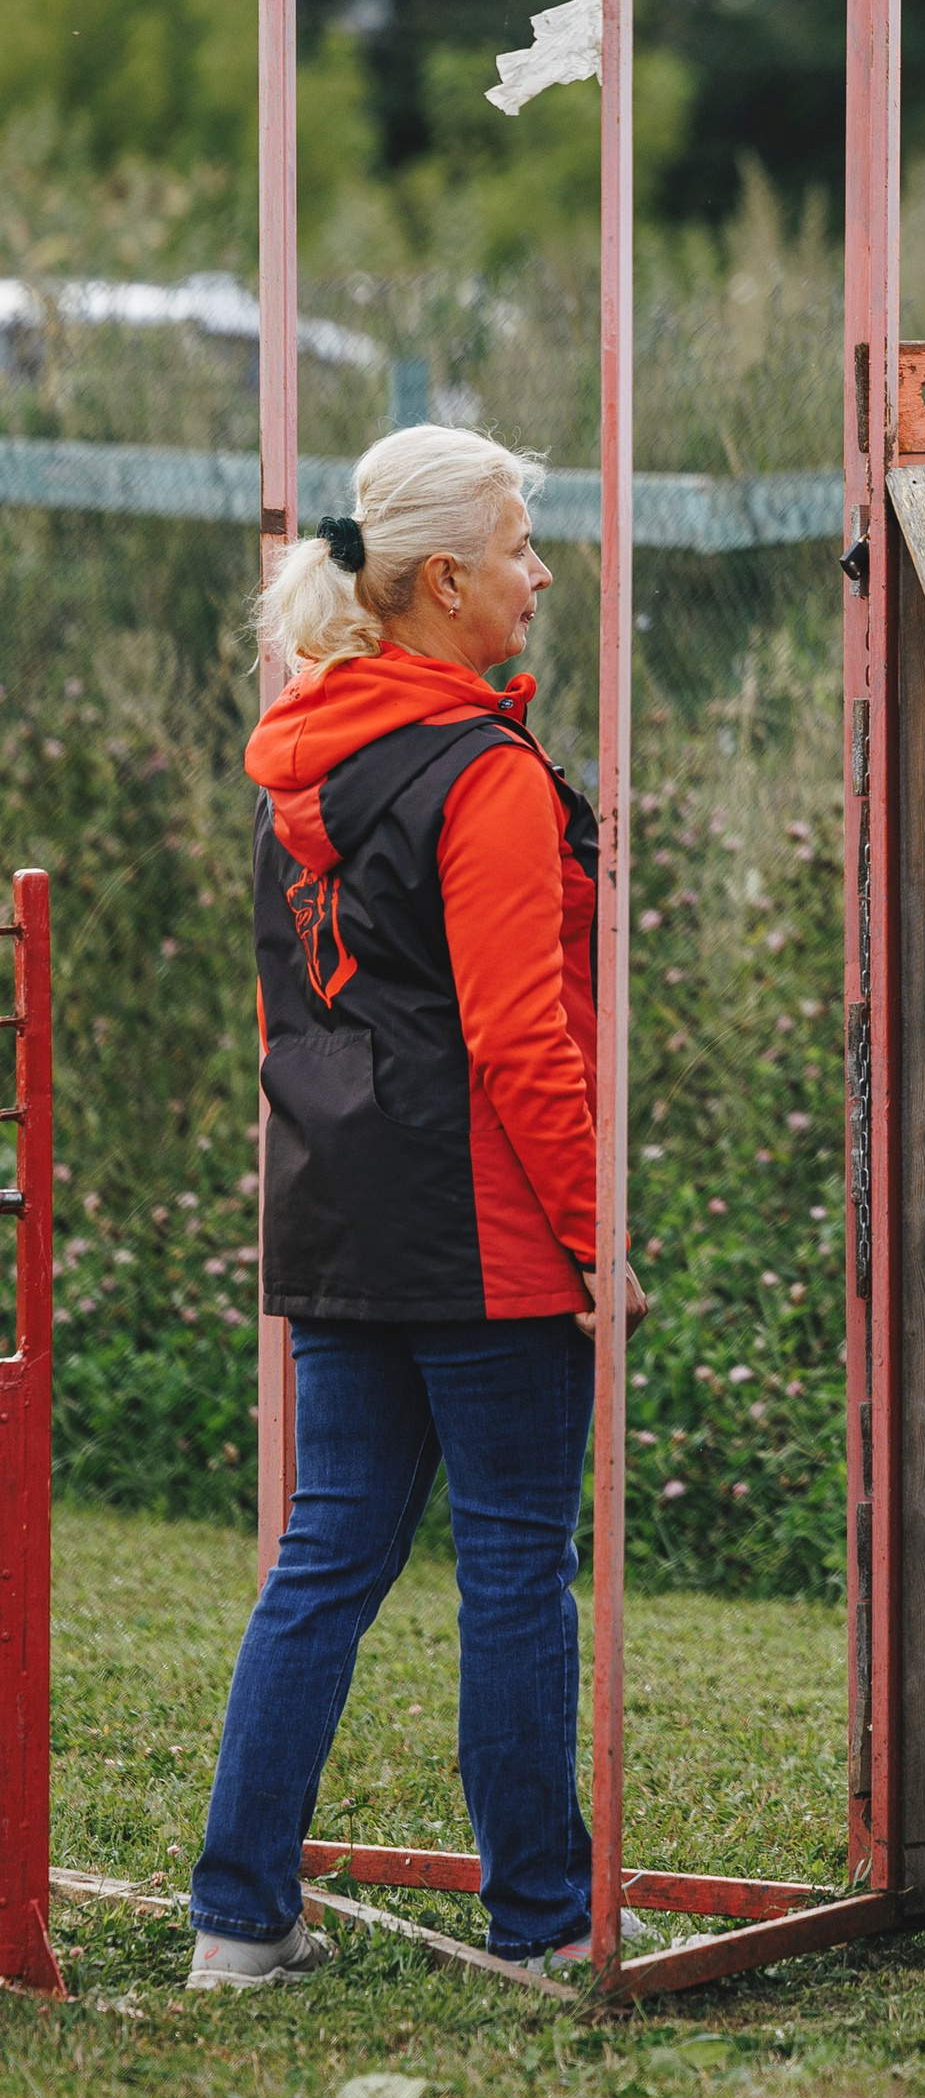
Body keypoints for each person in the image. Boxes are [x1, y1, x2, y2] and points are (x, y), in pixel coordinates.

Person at [187, 423, 646, 1985]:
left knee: (324, 1558)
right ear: (443, 579)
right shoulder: (484, 780)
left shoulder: (303, 763)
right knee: (519, 1562)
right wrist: (598, 1238)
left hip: (342, 1222)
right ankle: (541, 1923)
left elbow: (297, 1024)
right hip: (491, 1234)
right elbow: (524, 1038)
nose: (540, 575)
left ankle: (238, 1925)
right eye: (520, 547)